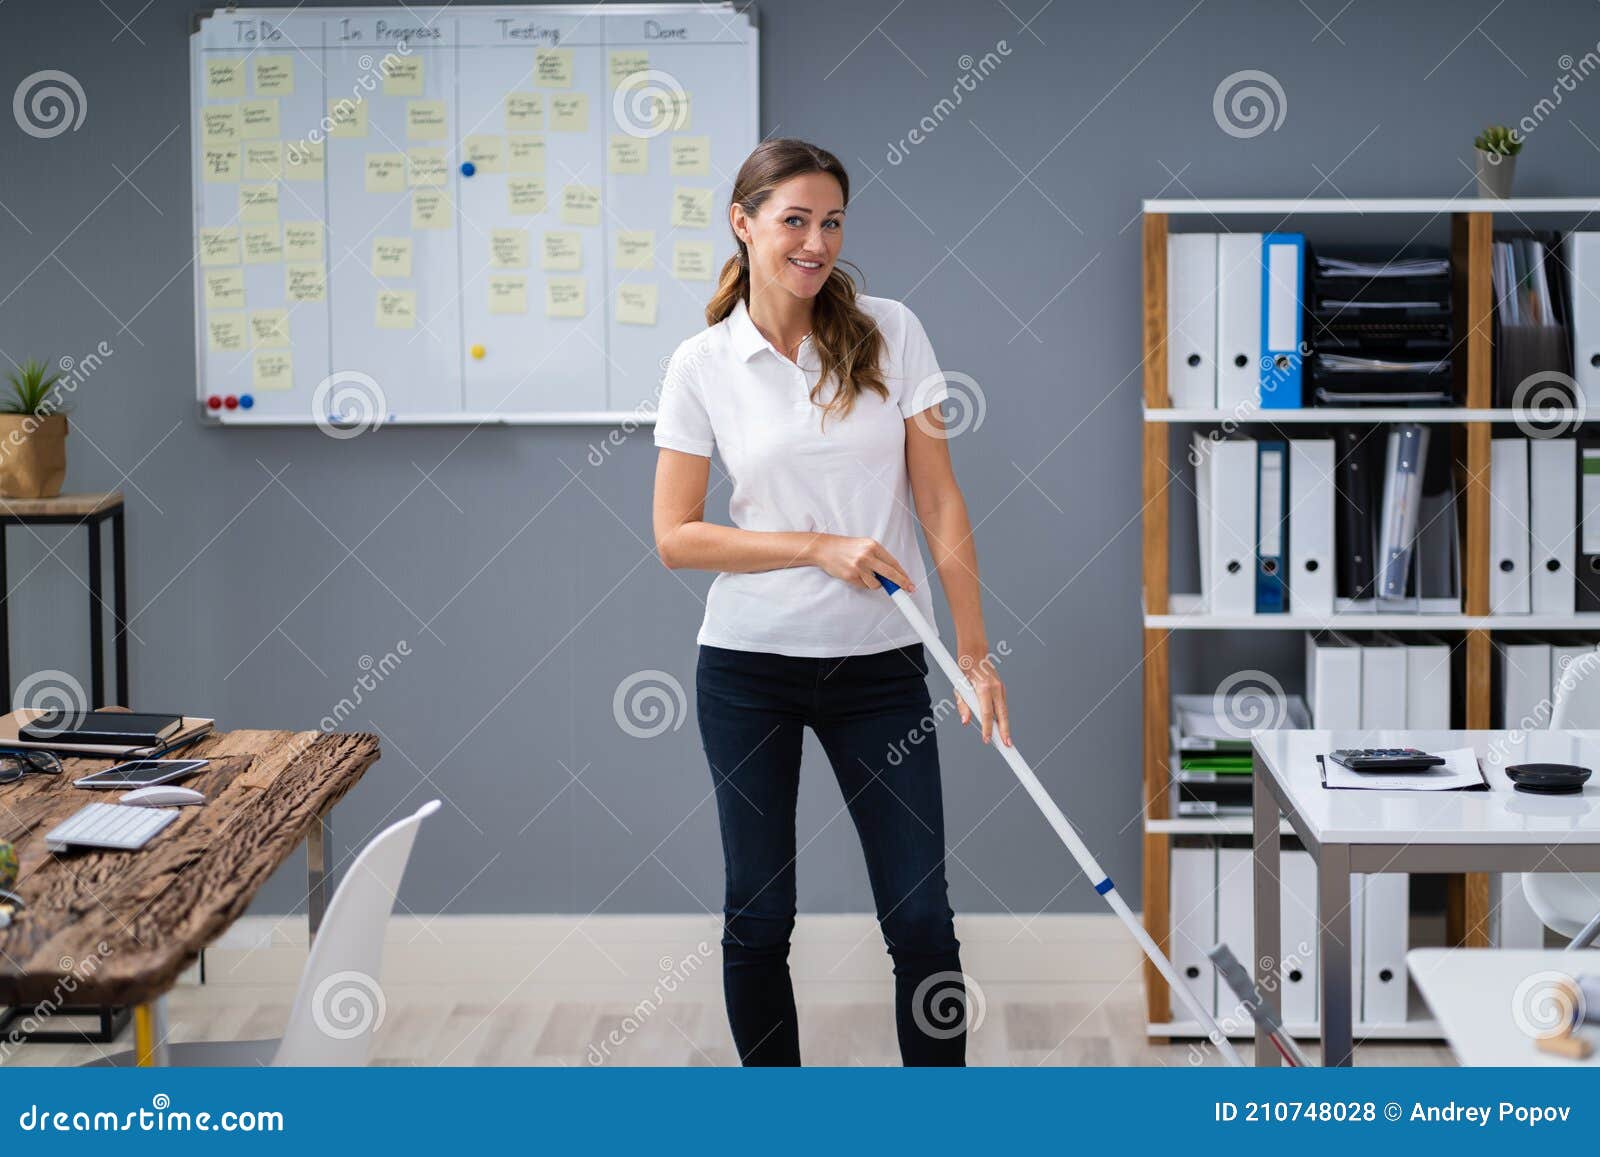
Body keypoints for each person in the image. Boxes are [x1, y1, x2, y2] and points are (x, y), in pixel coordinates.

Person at [651, 138, 1008, 1066]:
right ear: (744, 223)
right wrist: (816, 546)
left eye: (833, 221)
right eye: (794, 220)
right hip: (747, 669)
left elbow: (939, 499)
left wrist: (974, 655)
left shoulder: (890, 328)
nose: (816, 241)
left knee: (921, 914)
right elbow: (676, 536)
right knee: (760, 910)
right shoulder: (702, 363)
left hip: (881, 665)